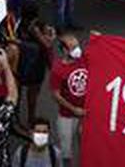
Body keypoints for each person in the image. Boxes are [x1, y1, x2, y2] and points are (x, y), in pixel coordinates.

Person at [48, 33, 87, 166]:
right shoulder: (57, 69)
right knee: (66, 150)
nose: (78, 49)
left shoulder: (83, 59)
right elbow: (56, 95)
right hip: (67, 116)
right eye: (73, 47)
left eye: (77, 45)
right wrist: (73, 109)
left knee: (86, 145)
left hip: (86, 114)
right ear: (64, 50)